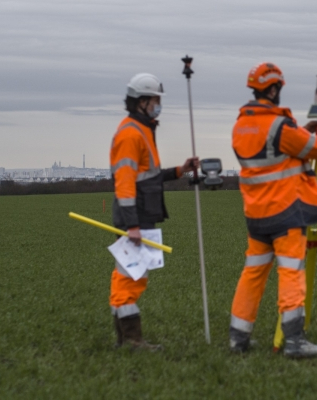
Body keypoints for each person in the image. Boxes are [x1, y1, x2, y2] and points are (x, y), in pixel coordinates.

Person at [229, 62, 317, 358]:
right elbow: (316, 148)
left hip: (256, 214)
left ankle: (238, 338)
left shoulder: (242, 124)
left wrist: (301, 131)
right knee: (291, 272)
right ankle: (294, 342)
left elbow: (274, 150)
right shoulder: (279, 124)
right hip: (286, 211)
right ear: (274, 88)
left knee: (253, 274)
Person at [109, 73, 199, 350]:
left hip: (142, 215)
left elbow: (148, 176)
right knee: (132, 279)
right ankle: (132, 341)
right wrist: (133, 225)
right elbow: (124, 184)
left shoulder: (144, 130)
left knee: (129, 276)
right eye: (155, 100)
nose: (159, 105)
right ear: (141, 102)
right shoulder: (130, 134)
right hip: (137, 218)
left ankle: (126, 339)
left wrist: (179, 171)